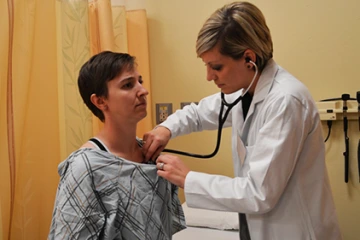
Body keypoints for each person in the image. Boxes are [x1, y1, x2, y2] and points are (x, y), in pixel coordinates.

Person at [142, 2, 341, 240]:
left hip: (295, 231)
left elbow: (259, 193)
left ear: (249, 58)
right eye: (206, 66)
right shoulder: (242, 91)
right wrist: (166, 128)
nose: (208, 76)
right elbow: (197, 113)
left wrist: (188, 178)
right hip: (256, 227)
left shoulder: (286, 101)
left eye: (216, 67)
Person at [48, 51, 186, 240]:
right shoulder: (84, 168)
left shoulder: (152, 156)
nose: (143, 91)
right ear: (100, 101)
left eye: (140, 81)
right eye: (128, 85)